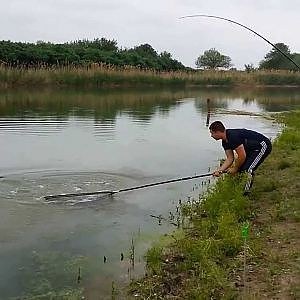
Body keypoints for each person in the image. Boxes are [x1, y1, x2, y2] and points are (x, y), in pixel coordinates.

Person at [209, 121, 272, 192]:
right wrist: (219, 171)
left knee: (248, 170)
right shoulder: (224, 142)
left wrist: (235, 168)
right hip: (251, 150)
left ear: (218, 132)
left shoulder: (233, 136)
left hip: (262, 145)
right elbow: (230, 158)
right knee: (241, 168)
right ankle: (237, 189)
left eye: (212, 133)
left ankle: (245, 194)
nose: (211, 135)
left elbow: (242, 156)